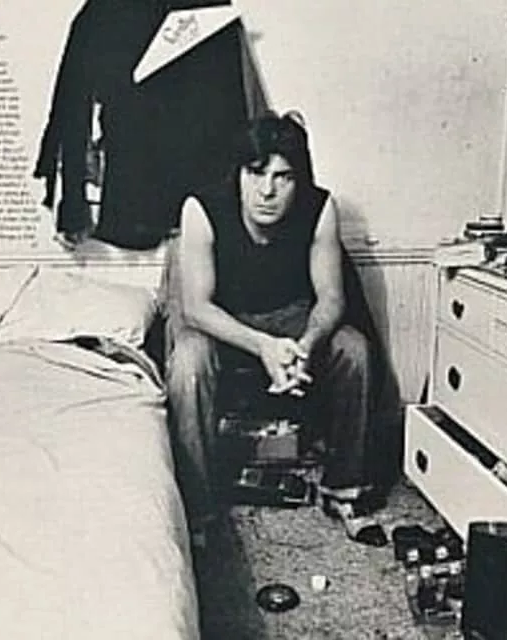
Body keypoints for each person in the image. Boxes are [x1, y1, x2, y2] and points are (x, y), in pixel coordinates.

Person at [165, 111, 388, 547]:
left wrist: (305, 346)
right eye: (255, 173)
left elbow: (331, 298)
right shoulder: (201, 208)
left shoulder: (320, 207)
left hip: (292, 319)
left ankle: (343, 489)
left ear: (298, 179)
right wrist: (264, 347)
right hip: (222, 322)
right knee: (188, 362)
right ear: (239, 174)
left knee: (354, 348)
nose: (267, 191)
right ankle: (198, 510)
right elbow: (196, 308)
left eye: (282, 177)